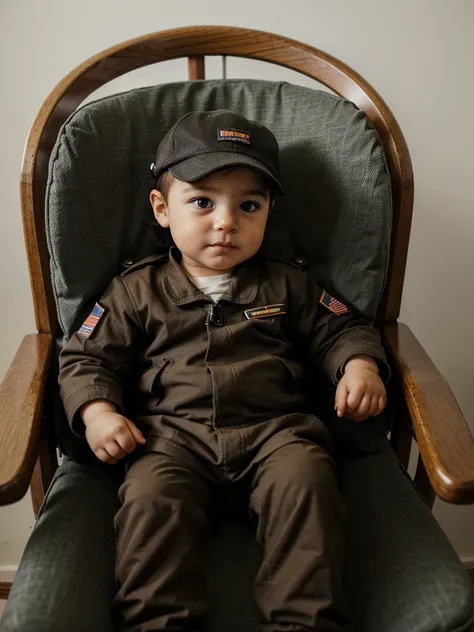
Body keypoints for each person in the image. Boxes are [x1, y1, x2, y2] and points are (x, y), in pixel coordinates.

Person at [58, 110, 389, 632]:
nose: (226, 222)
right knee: (150, 500)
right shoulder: (134, 291)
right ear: (162, 209)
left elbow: (342, 328)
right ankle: (158, 621)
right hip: (170, 439)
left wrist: (359, 365)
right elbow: (86, 357)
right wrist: (98, 411)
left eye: (249, 205)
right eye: (203, 202)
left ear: (269, 213)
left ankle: (303, 621)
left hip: (276, 434)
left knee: (307, 483)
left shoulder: (288, 284)